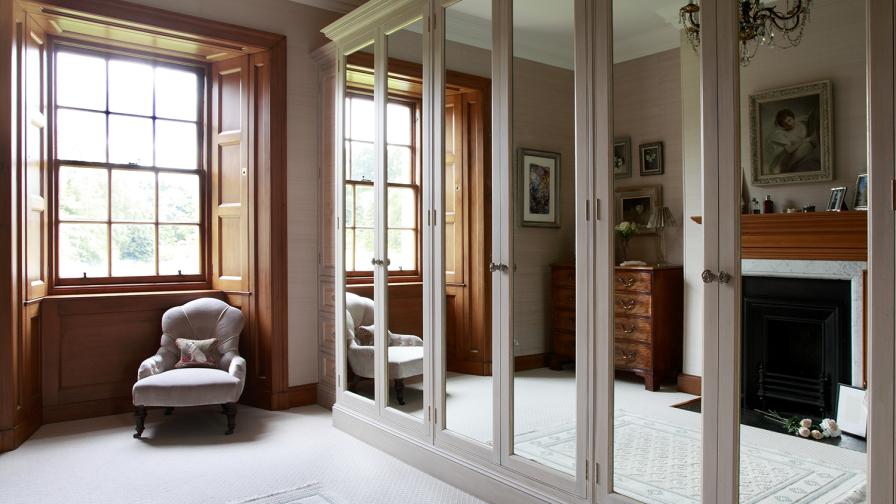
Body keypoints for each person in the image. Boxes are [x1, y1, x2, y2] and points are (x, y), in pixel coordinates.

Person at [766, 108, 820, 174]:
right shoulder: (782, 133)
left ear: (793, 118)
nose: (789, 124)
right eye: (785, 124)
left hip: (803, 150)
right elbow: (789, 150)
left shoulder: (801, 124)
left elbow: (810, 118)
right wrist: (803, 141)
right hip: (789, 157)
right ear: (782, 126)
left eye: (789, 120)